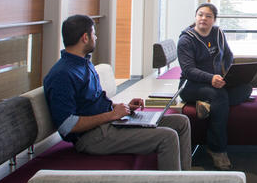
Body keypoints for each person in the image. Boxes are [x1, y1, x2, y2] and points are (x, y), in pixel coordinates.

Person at [44, 14, 193, 170]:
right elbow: (67, 125)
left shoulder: (83, 64)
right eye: (94, 34)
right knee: (167, 137)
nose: (96, 37)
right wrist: (111, 115)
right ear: (85, 38)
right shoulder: (62, 74)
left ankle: (184, 178)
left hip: (108, 123)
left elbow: (92, 102)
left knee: (181, 122)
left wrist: (121, 108)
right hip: (91, 137)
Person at [177, 2, 252, 171]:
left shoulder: (218, 33)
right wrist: (211, 78)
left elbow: (228, 55)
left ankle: (207, 105)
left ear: (214, 19)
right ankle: (217, 149)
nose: (203, 18)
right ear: (195, 17)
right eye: (200, 15)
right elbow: (188, 70)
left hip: (216, 83)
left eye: (208, 16)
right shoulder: (186, 40)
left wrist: (228, 74)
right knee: (220, 96)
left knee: (246, 88)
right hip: (191, 86)